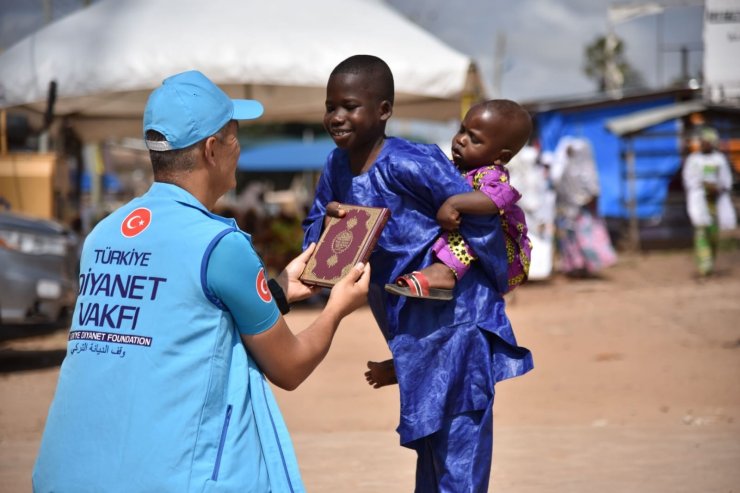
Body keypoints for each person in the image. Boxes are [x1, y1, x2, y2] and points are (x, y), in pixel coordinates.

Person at [33, 70, 370, 493]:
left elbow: (177, 315)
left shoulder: (104, 232)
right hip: (171, 478)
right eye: (234, 136)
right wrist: (339, 306)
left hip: (70, 473)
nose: (239, 149)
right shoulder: (219, 243)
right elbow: (290, 365)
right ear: (213, 149)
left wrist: (277, 289)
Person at [303, 54, 532, 492]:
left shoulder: (415, 162)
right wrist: (333, 223)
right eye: (331, 106)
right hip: (412, 332)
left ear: (383, 111)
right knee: (431, 451)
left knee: (458, 455)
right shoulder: (334, 167)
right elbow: (314, 232)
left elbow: (483, 216)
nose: (337, 117)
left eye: (350, 106)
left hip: (459, 324)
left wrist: (447, 264)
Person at [384, 99, 533, 300]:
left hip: (503, 252)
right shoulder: (456, 168)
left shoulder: (491, 174)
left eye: (475, 139)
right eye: (462, 130)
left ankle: (445, 273)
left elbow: (497, 198)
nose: (461, 139)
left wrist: (454, 203)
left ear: (501, 156)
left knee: (472, 224)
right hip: (480, 249)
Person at [550, 136, 617, 278]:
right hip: (580, 213)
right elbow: (593, 191)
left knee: (576, 240)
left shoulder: (564, 171)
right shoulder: (585, 171)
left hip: (572, 212)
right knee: (581, 239)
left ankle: (579, 267)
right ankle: (580, 267)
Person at [682, 127, 737, 277]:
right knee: (701, 232)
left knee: (713, 234)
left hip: (715, 202)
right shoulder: (694, 159)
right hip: (700, 201)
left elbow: (726, 180)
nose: (704, 144)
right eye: (702, 141)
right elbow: (689, 179)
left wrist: (718, 188)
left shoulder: (719, 159)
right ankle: (704, 266)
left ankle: (710, 264)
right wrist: (703, 185)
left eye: (707, 142)